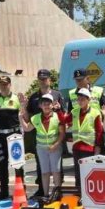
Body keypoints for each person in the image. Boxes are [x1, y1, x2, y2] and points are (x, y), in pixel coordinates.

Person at [26, 69, 65, 197]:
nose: (43, 81)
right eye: (40, 79)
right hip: (39, 139)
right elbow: (28, 117)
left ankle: (57, 191)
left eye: (45, 78)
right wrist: (22, 109)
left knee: (57, 169)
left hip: (55, 138)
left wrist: (59, 110)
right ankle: (43, 191)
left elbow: (64, 116)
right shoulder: (33, 97)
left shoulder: (57, 94)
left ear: (50, 80)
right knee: (41, 167)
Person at [20, 93, 65, 201]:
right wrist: (20, 117)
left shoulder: (58, 116)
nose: (46, 105)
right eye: (43, 103)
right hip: (41, 148)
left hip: (55, 147)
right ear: (40, 106)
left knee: (56, 171)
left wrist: (56, 145)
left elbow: (62, 133)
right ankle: (45, 195)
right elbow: (27, 128)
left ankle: (57, 194)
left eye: (48, 103)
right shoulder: (35, 118)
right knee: (44, 172)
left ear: (52, 105)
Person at [0, 75, 23, 200]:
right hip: (0, 137)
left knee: (17, 164)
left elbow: (23, 115)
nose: (4, 86)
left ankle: (20, 189)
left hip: (14, 136)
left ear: (10, 84)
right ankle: (4, 191)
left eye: (6, 84)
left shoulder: (16, 99)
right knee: (2, 164)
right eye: (1, 84)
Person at [66, 88, 103, 198]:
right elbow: (64, 121)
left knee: (90, 173)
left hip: (89, 148)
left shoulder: (95, 113)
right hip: (77, 147)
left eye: (83, 99)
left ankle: (90, 195)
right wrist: (58, 111)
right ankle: (79, 194)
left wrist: (98, 147)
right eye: (79, 99)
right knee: (78, 173)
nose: (80, 101)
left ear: (88, 100)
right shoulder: (74, 111)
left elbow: (99, 132)